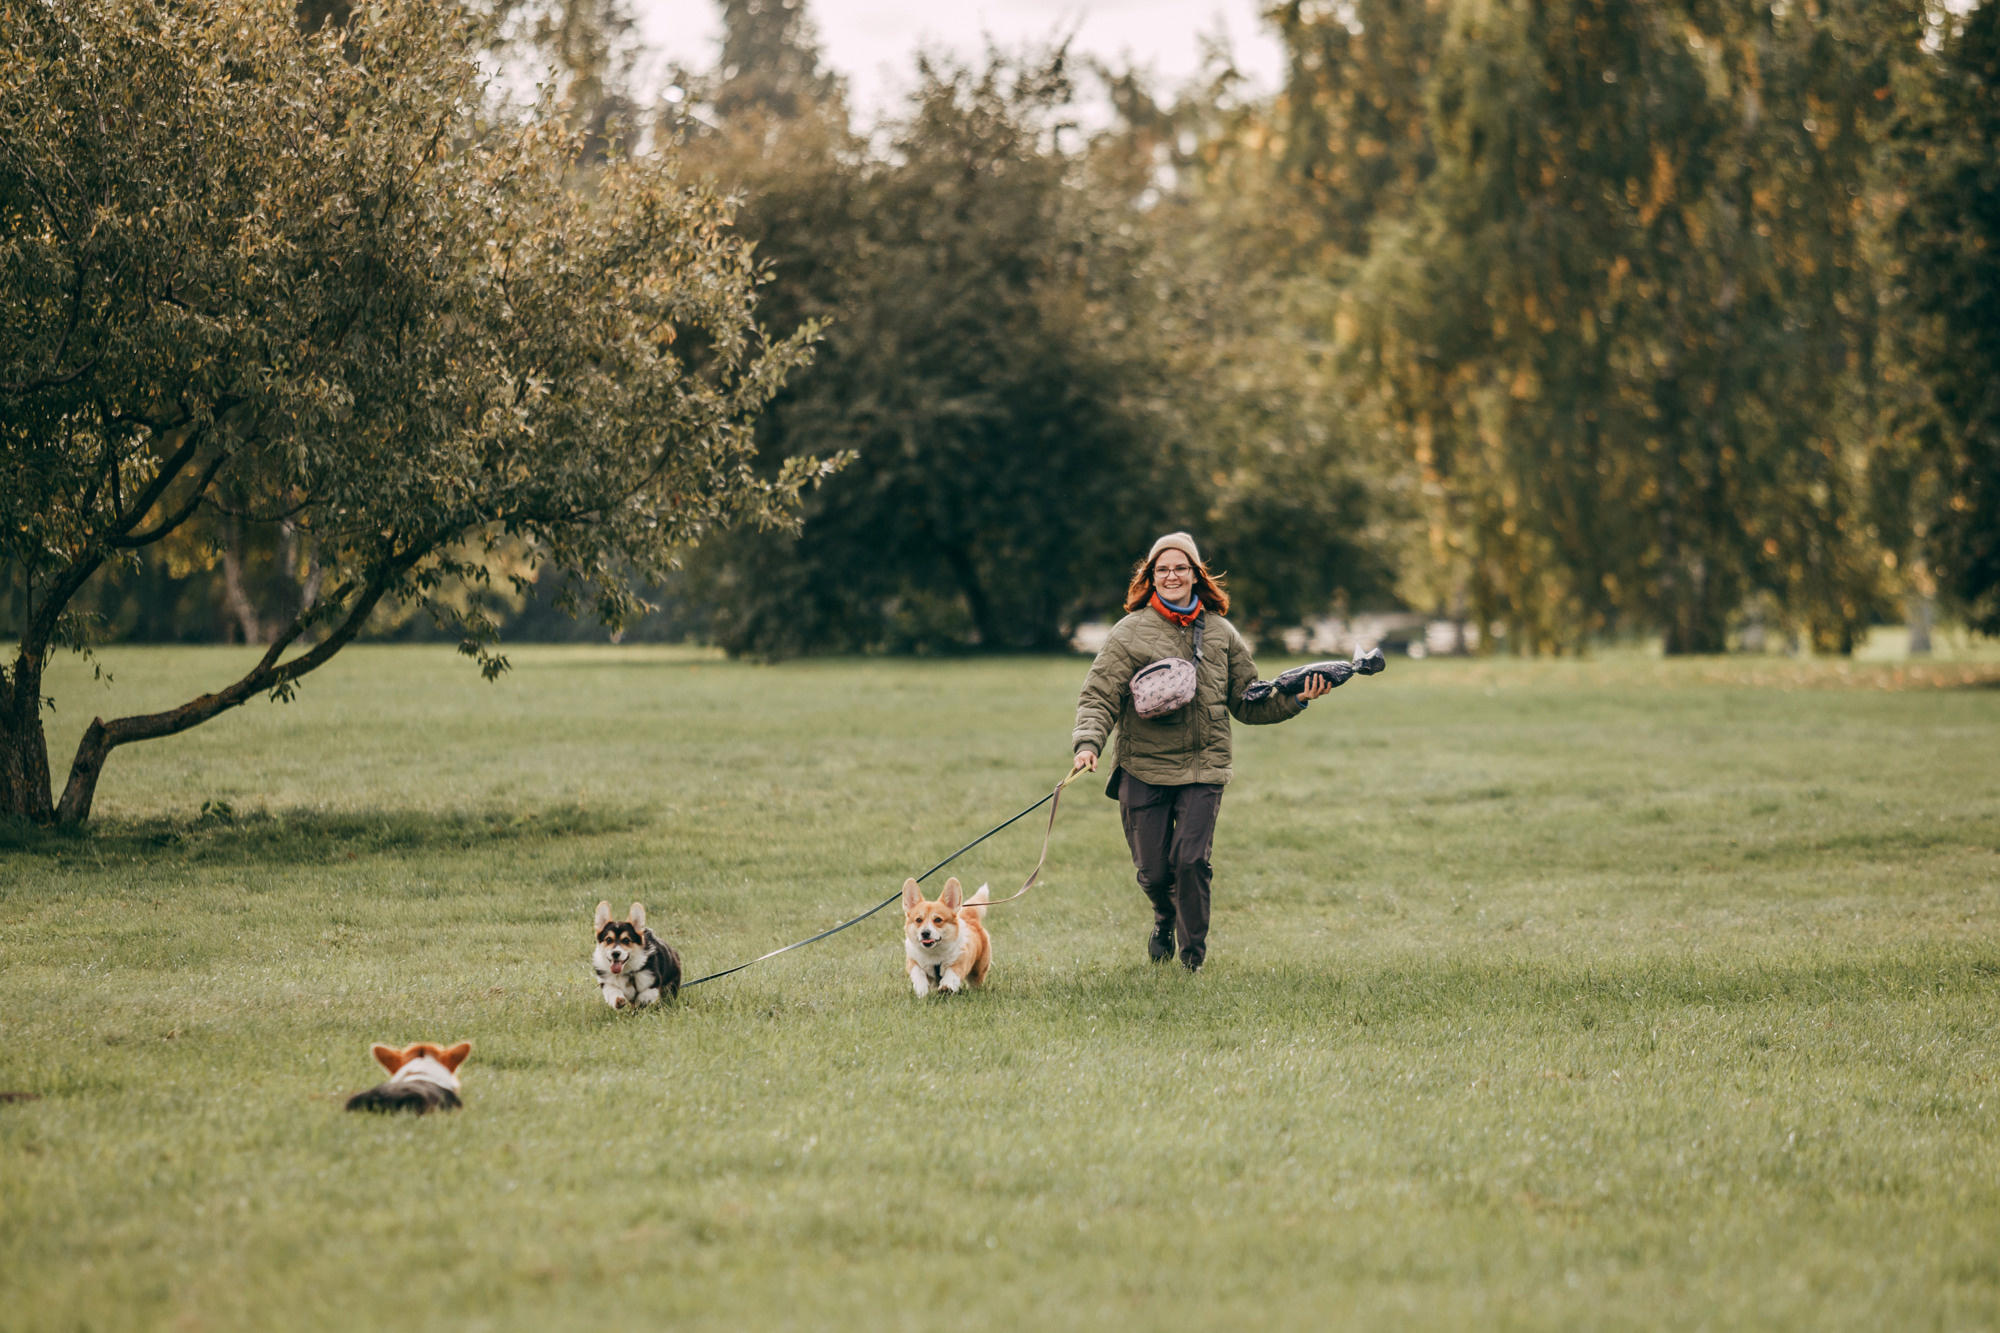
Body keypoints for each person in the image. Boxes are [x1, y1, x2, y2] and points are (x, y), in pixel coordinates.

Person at [1069, 533, 1330, 972]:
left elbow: (1249, 700)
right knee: (1153, 873)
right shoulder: (1129, 632)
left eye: (1180, 568)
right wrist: (1088, 744)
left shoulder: (1222, 634)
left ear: (1195, 574)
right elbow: (1098, 696)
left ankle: (1193, 962)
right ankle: (1164, 915)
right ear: (1150, 577)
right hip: (1143, 767)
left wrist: (1297, 698)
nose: (1172, 575)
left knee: (1191, 862)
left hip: (1204, 767)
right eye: (1162, 569)